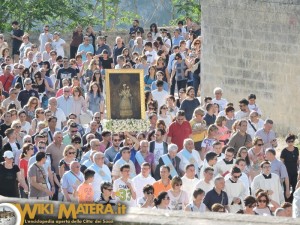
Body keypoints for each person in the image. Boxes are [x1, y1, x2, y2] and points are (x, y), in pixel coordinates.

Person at [280, 134, 299, 202]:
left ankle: (294, 204)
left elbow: (297, 161)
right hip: (286, 173)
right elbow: (281, 164)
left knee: (295, 189)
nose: (290, 143)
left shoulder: (296, 149)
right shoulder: (284, 151)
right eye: (289, 141)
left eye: (292, 141)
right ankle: (287, 205)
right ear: (286, 142)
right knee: (286, 190)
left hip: (295, 173)